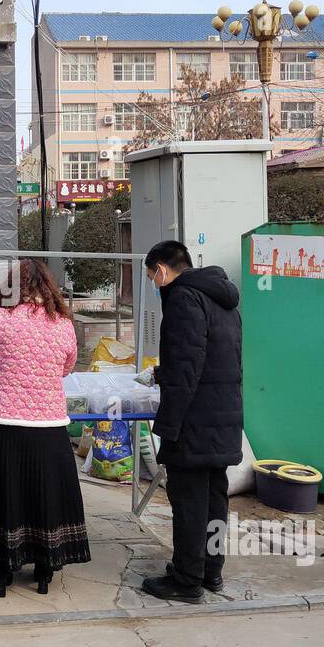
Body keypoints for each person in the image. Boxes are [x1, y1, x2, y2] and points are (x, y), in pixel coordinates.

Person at [0, 258, 90, 598]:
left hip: (5, 423)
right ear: (48, 287)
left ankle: (3, 571)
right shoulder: (63, 324)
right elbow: (68, 366)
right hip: (49, 423)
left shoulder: (3, 318)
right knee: (44, 492)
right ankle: (44, 570)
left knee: (6, 492)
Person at [139, 241, 243, 604]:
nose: (153, 282)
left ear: (163, 270)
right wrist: (160, 372)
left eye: (152, 274)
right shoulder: (221, 298)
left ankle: (186, 580)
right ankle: (210, 570)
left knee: (189, 502)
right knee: (215, 499)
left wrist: (169, 426)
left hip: (194, 421)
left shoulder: (183, 299)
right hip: (223, 416)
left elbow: (186, 369)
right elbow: (210, 356)